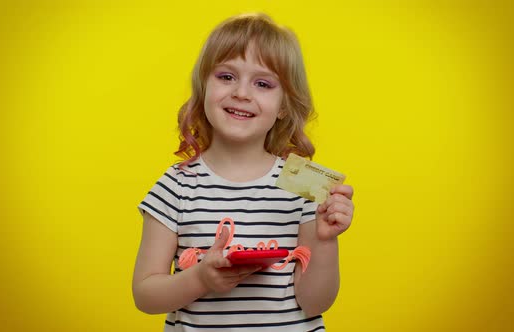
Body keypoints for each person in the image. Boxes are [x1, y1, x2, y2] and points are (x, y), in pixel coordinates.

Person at [132, 13, 354, 331]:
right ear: (203, 88)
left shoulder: (305, 185)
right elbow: (145, 296)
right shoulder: (177, 186)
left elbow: (315, 303)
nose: (241, 93)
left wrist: (326, 241)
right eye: (226, 77)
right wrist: (200, 277)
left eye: (262, 83)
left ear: (283, 107)